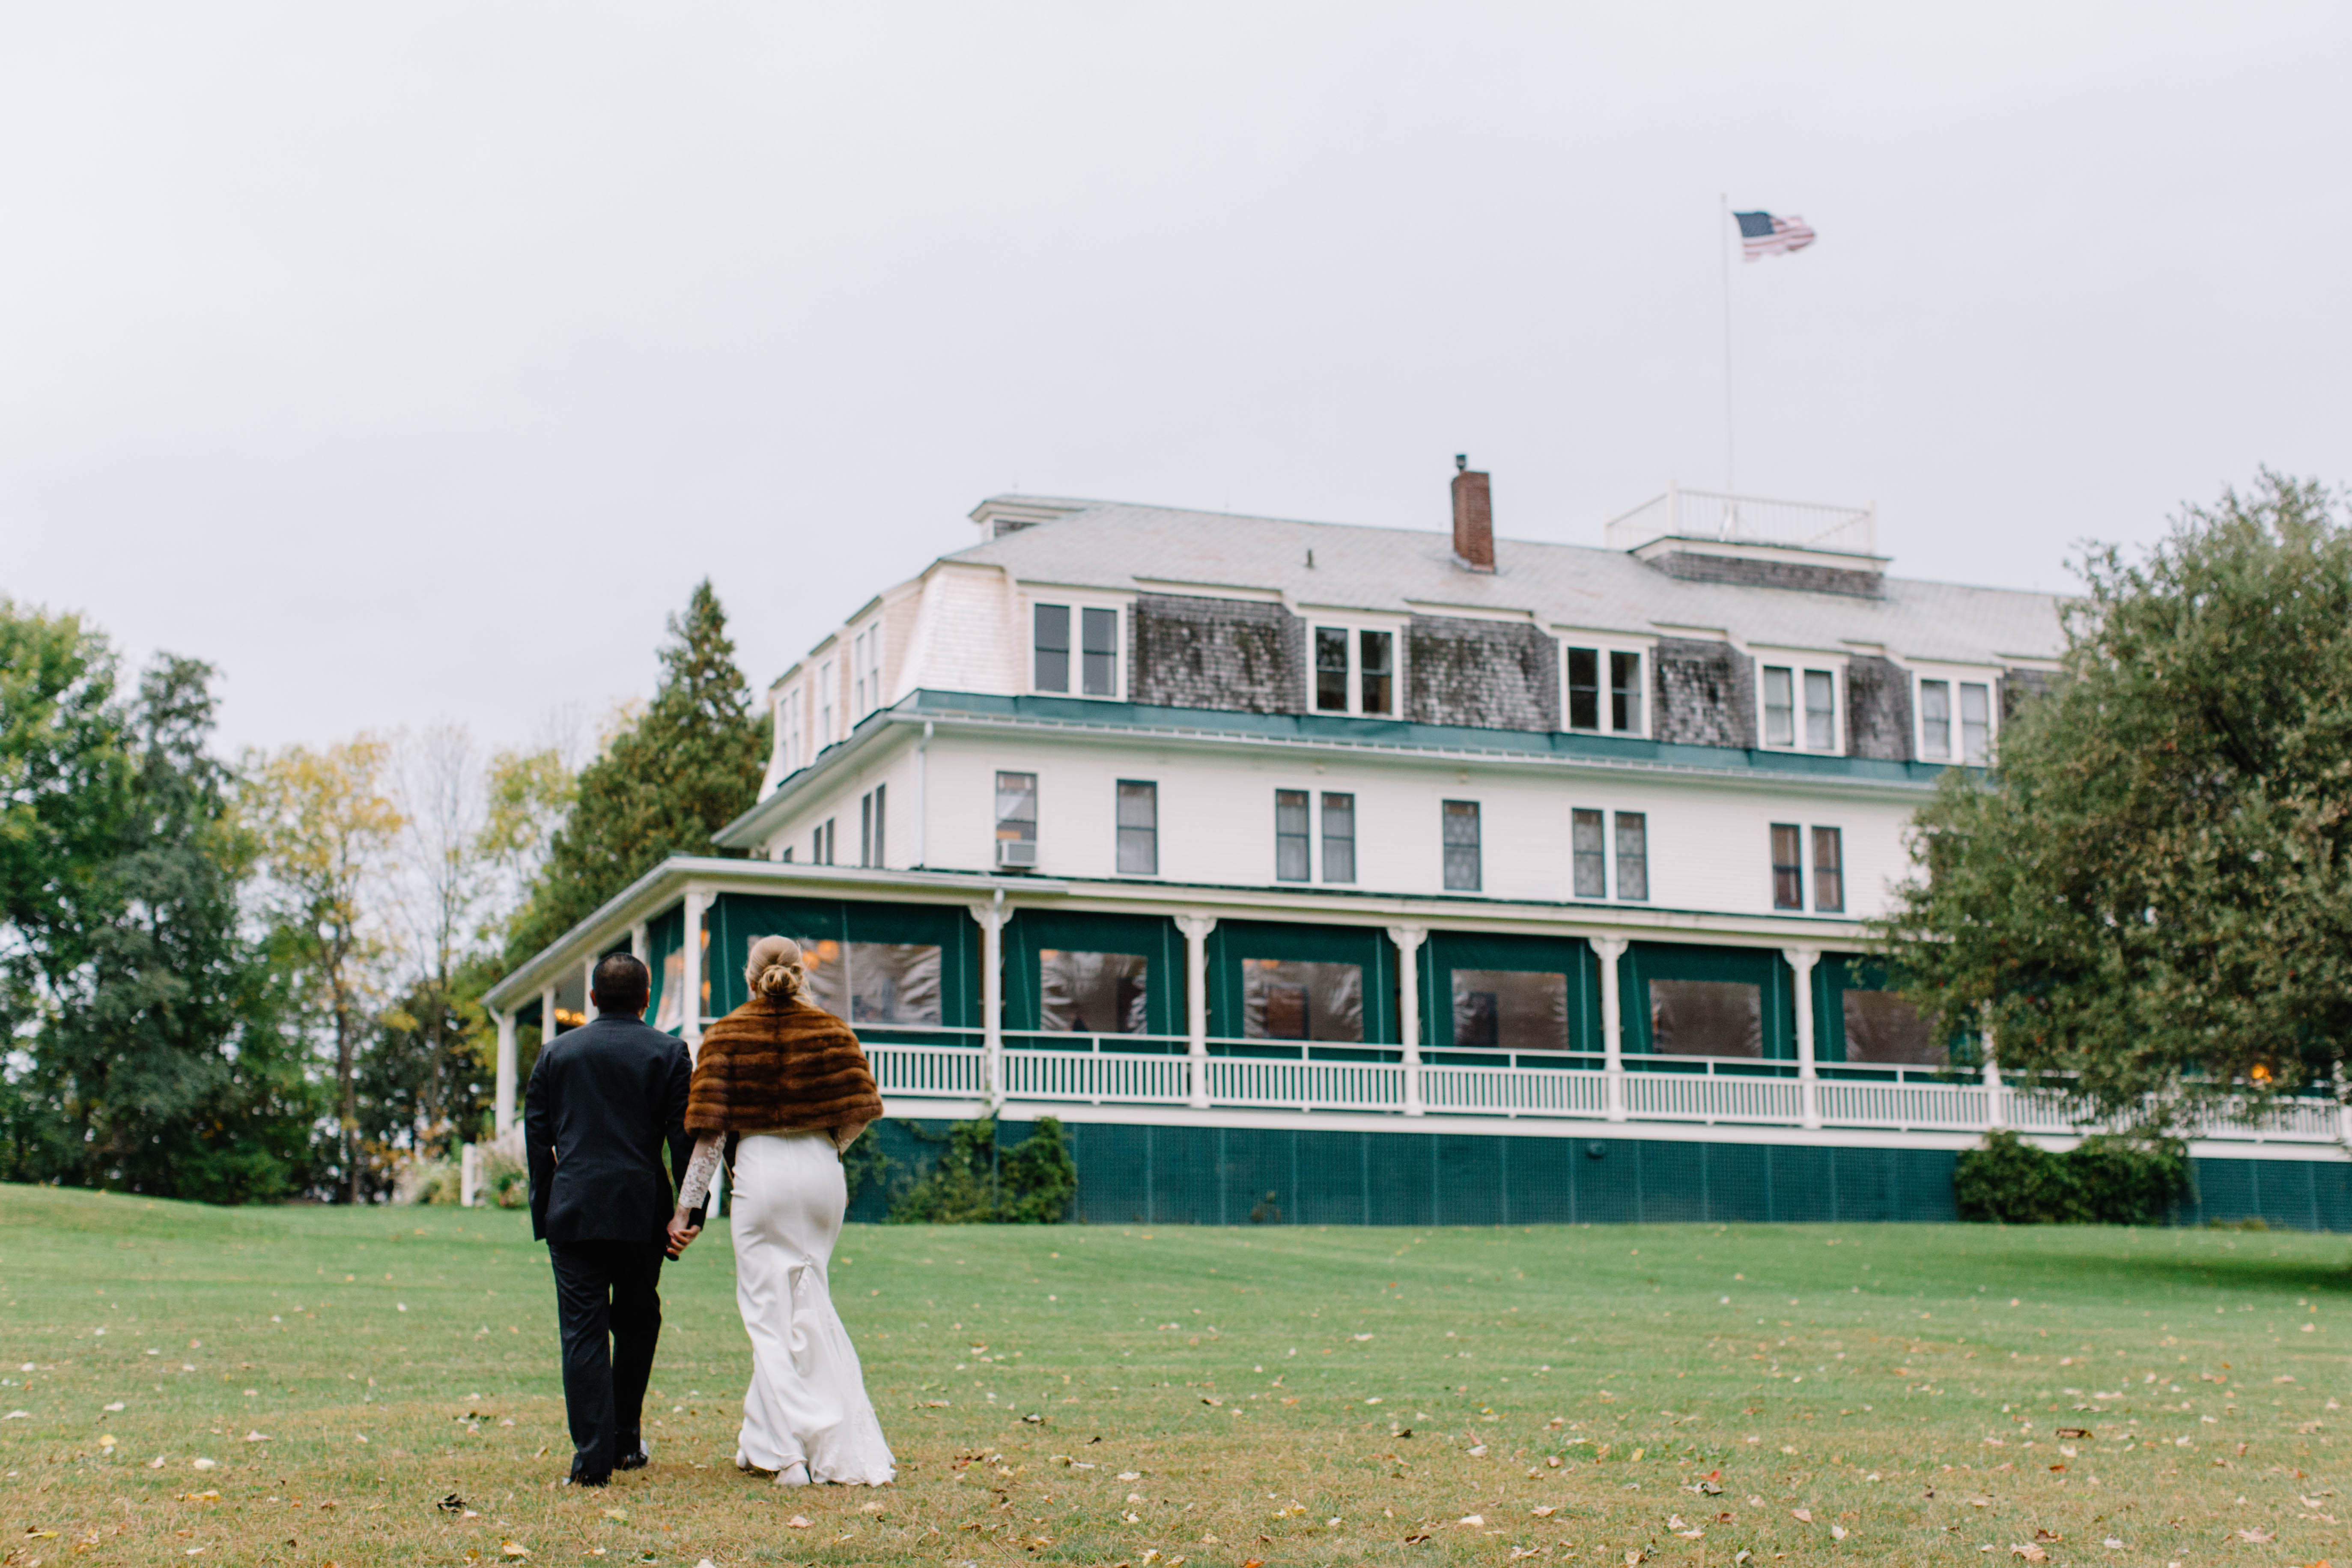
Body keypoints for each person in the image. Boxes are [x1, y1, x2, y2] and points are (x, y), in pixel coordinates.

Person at [668, 934, 894, 1486]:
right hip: (821, 1169)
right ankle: (762, 1438)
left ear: (749, 976)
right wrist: (827, 1147)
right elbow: (862, 1111)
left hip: (762, 1170)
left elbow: (711, 1138)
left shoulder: (724, 1034)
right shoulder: (833, 1030)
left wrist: (684, 1209)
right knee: (806, 1297)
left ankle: (791, 1454)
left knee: (766, 1314)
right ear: (801, 973)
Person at [523, 950, 697, 1487]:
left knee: (582, 1331)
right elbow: (684, 1137)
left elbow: (537, 1136)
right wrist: (688, 1212)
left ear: (593, 999)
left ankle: (593, 1461)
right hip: (643, 1211)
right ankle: (626, 1440)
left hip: (572, 1211)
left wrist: (547, 1208)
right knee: (639, 1319)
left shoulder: (556, 1052)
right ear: (647, 999)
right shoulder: (669, 1051)